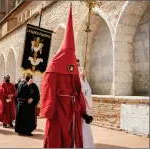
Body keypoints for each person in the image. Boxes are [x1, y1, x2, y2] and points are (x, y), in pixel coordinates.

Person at [40, 4, 92, 148]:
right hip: (58, 110)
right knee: (56, 138)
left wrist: (83, 112)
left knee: (71, 139)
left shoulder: (73, 70)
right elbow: (48, 91)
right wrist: (49, 110)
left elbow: (78, 91)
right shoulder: (53, 68)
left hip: (72, 110)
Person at [77, 59, 94, 148]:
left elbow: (88, 90)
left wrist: (83, 78)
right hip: (76, 104)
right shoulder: (73, 76)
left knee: (84, 125)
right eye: (76, 64)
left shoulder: (82, 77)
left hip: (83, 103)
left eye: (79, 65)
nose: (78, 66)